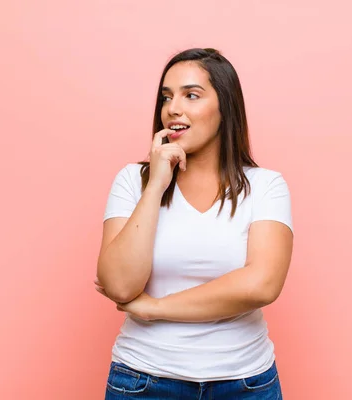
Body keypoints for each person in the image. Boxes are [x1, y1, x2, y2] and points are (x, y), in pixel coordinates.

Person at [94, 48, 294, 399]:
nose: (173, 108)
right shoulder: (133, 181)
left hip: (245, 383)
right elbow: (121, 286)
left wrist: (155, 308)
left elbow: (262, 284)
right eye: (166, 97)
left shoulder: (265, 186)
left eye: (191, 95)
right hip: (144, 381)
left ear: (225, 107)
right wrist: (156, 184)